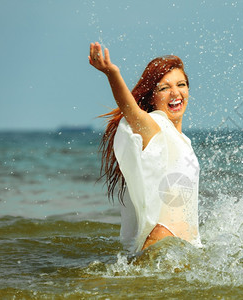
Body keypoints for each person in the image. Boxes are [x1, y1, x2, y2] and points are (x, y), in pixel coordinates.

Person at [89, 42, 201, 253]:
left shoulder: (183, 140)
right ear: (152, 96)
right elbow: (131, 111)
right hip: (162, 246)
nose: (175, 93)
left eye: (181, 85)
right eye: (164, 88)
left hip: (178, 252)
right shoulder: (155, 127)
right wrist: (112, 74)